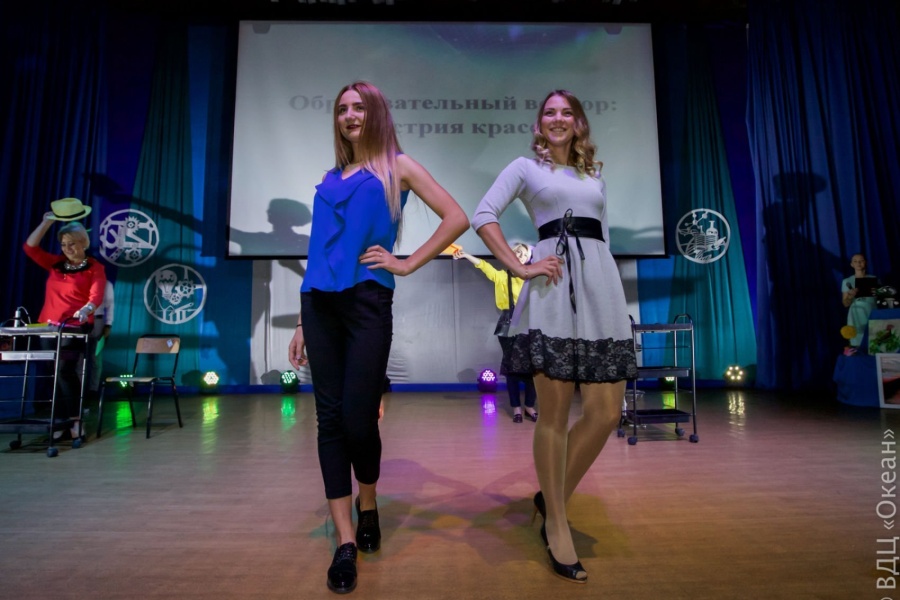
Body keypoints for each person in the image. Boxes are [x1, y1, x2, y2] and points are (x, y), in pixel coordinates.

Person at [287, 81, 468, 595]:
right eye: (342, 109)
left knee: (357, 420)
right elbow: (319, 251)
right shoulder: (330, 178)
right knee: (328, 421)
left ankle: (369, 502)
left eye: (359, 108)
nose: (349, 115)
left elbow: (456, 217)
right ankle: (346, 540)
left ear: (377, 114)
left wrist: (406, 263)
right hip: (318, 304)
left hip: (367, 302)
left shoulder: (397, 167)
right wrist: (300, 321)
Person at [471, 89, 637, 583]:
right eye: (550, 113)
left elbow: (603, 238)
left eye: (567, 112)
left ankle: (552, 496)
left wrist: (609, 289)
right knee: (555, 414)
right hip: (552, 290)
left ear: (578, 122)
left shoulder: (594, 176)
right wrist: (520, 267)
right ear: (540, 124)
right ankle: (557, 524)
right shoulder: (525, 168)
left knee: (606, 413)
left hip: (600, 289)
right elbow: (482, 216)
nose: (558, 119)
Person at [23, 207, 106, 440]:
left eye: (72, 244)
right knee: (54, 373)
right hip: (48, 327)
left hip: (74, 327)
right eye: (63, 244)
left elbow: (96, 296)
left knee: (65, 371)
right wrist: (46, 223)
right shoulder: (56, 264)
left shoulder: (94, 267)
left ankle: (75, 420)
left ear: (83, 243)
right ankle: (60, 421)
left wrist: (87, 309)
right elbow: (30, 248)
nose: (67, 249)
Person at [454, 244, 538, 423]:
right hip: (508, 324)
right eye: (517, 252)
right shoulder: (502, 276)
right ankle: (516, 408)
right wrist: (466, 255)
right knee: (512, 369)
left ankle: (530, 406)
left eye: (524, 254)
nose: (519, 255)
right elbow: (484, 266)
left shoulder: (532, 278)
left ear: (528, 259)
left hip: (529, 324)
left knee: (534, 368)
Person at [841, 253, 878, 347]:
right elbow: (845, 304)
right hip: (856, 315)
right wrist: (850, 296)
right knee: (858, 343)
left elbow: (880, 299)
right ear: (852, 264)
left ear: (866, 262)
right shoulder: (847, 281)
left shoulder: (874, 279)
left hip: (872, 312)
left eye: (861, 261)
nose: (858, 263)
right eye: (855, 261)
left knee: (875, 342)